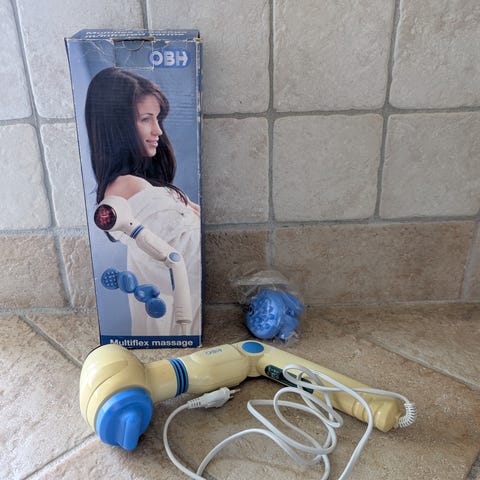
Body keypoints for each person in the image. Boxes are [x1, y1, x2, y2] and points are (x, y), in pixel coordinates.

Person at [85, 67, 201, 337]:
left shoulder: (140, 186)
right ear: (117, 126)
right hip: (179, 325)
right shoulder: (128, 188)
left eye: (157, 119)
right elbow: (187, 259)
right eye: (146, 119)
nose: (157, 130)